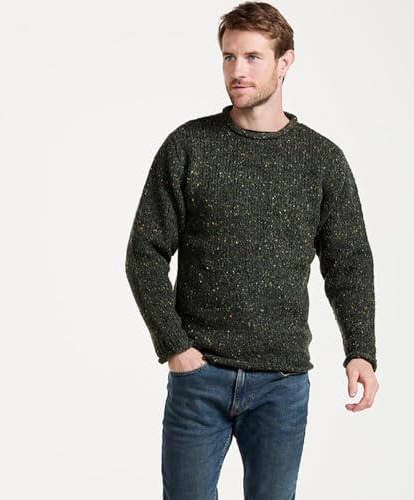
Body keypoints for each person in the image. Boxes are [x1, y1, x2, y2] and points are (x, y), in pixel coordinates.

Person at [125, 2, 379, 498]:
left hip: (281, 385)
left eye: (252, 57)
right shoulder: (188, 146)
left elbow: (348, 262)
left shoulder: (322, 160)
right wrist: (175, 347)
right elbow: (144, 253)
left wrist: (361, 349)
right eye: (229, 57)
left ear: (285, 62)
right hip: (200, 379)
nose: (237, 70)